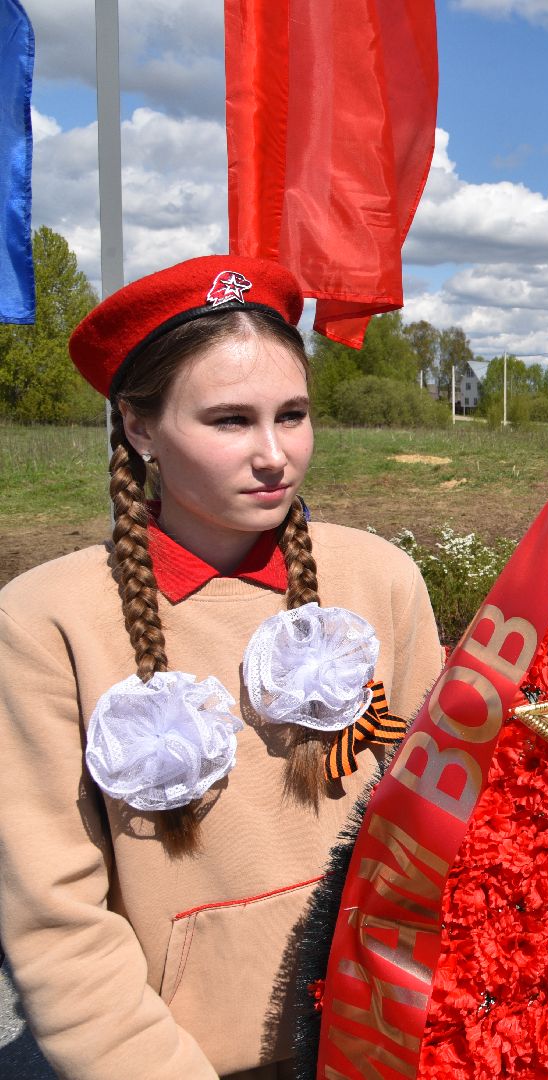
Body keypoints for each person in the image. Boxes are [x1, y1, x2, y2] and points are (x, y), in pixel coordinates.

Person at [0, 256, 444, 1079]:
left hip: (387, 1044)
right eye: (231, 420)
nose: (276, 454)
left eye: (294, 414)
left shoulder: (381, 579)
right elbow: (57, 923)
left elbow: (449, 820)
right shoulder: (46, 623)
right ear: (139, 427)